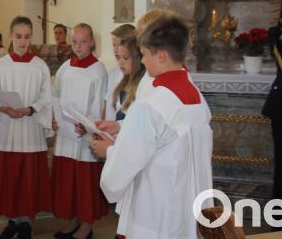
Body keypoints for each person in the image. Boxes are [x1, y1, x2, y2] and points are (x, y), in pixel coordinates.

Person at [91, 15, 213, 239]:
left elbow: (127, 162)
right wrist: (120, 127)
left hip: (156, 212)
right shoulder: (197, 97)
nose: (143, 62)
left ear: (161, 56)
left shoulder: (150, 104)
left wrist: (108, 150)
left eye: (145, 54)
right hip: (188, 206)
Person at [0, 16, 53, 239]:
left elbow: (47, 97)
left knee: (28, 179)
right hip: (8, 130)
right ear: (11, 37)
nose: (22, 42)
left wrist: (31, 109)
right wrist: (4, 108)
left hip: (30, 129)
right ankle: (13, 221)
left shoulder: (40, 66)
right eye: (18, 37)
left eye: (27, 37)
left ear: (32, 37)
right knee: (11, 178)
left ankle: (26, 224)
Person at [50, 23, 109, 239]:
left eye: (83, 41)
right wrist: (55, 119)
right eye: (75, 41)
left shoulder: (98, 70)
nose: (78, 45)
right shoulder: (65, 67)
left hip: (86, 136)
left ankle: (86, 224)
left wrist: (88, 125)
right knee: (69, 181)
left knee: (84, 183)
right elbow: (56, 97)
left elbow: (100, 102)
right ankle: (72, 219)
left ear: (92, 42)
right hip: (66, 135)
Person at [105, 36, 147, 125]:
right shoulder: (122, 80)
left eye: (125, 58)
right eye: (119, 57)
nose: (120, 62)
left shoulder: (144, 84)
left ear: (137, 59)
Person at [103, 24, 136, 120]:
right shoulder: (113, 73)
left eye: (120, 45)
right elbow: (108, 103)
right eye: (114, 45)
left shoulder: (140, 77)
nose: (116, 50)